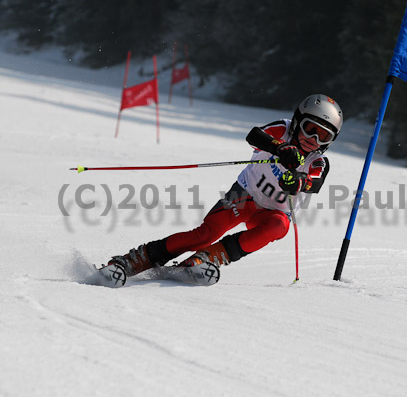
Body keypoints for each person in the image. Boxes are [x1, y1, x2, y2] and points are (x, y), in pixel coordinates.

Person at [105, 94, 343, 276]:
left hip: (272, 213)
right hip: (244, 195)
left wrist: (298, 181)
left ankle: (209, 258)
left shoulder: (318, 160)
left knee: (280, 226)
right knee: (204, 234)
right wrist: (279, 147)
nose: (313, 140)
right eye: (310, 129)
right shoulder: (283, 129)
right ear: (298, 121)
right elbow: (255, 135)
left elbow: (315, 182)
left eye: (323, 136)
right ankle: (136, 259)